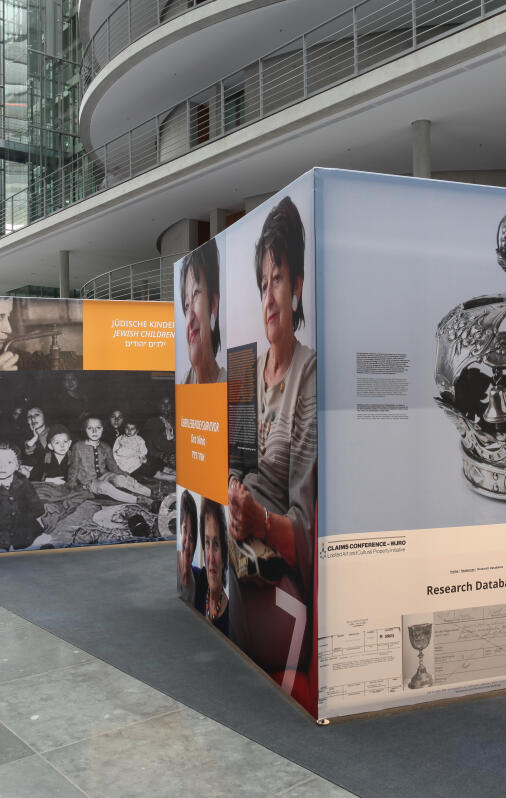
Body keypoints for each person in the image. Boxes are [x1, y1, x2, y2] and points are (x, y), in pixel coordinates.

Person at [227, 196, 317, 693]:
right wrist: (234, 495)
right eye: (263, 284)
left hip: (277, 581)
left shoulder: (310, 376)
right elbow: (231, 468)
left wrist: (257, 519)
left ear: (297, 287)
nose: (268, 298)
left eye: (278, 280)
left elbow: (304, 531)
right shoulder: (244, 373)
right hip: (236, 557)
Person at [68, 415, 152, 503]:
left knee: (121, 479)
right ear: (85, 430)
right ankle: (137, 500)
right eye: (90, 428)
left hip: (104, 476)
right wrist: (73, 486)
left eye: (98, 428)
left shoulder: (105, 446)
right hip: (88, 482)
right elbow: (73, 468)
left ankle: (150, 493)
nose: (94, 431)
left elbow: (113, 466)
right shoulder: (78, 447)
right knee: (104, 486)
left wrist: (124, 475)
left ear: (103, 429)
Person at [0, 443, 52, 550]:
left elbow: (35, 505)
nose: (3, 467)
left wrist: (38, 521)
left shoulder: (23, 482)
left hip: (25, 527)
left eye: (9, 462)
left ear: (16, 466)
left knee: (40, 542)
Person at [181, 239, 226, 384]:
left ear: (213, 304)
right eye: (187, 305)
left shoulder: (228, 385)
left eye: (195, 294)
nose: (190, 319)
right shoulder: (183, 383)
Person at [198, 499, 230, 635]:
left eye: (216, 544)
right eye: (207, 542)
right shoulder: (198, 585)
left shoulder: (231, 620)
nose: (210, 557)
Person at [178, 491, 205, 606]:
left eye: (192, 537)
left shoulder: (198, 581)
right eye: (185, 530)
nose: (188, 544)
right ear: (179, 529)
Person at [18, 407, 50, 479]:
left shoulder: (55, 434)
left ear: (45, 416)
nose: (32, 418)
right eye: (29, 417)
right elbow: (28, 452)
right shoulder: (26, 438)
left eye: (37, 415)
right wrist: (35, 438)